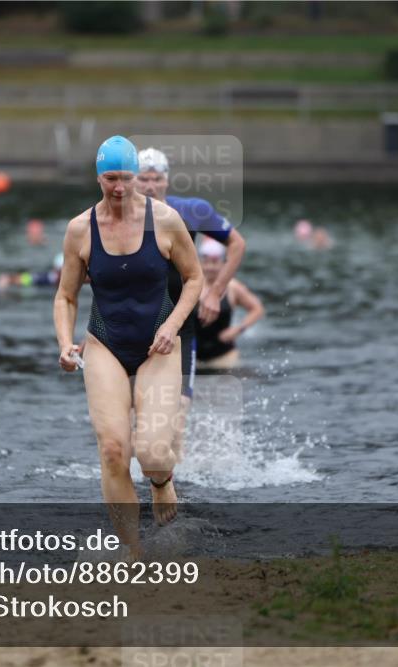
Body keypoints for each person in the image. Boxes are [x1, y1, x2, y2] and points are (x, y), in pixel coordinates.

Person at [54, 136, 203, 547]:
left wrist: (172, 325)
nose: (119, 188)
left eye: (126, 178)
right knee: (114, 451)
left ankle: (161, 481)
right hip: (104, 343)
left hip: (158, 344)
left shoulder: (167, 220)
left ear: (137, 175)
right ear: (97, 176)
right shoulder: (80, 229)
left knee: (153, 452)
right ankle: (131, 552)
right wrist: (65, 342)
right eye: (109, 179)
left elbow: (194, 279)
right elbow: (66, 296)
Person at [135, 147, 247, 459]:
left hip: (181, 328)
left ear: (166, 181)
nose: (150, 185)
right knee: (139, 424)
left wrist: (214, 293)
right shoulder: (120, 218)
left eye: (156, 178)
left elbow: (237, 244)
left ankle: (175, 490)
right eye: (143, 178)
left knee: (176, 419)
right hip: (135, 328)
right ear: (132, 183)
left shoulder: (191, 210)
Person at [195, 239, 265, 369]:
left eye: (215, 262)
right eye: (206, 262)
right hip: (194, 358)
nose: (210, 267)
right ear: (200, 262)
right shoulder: (191, 285)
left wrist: (238, 329)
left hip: (224, 357)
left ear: (224, 263)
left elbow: (257, 309)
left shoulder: (233, 287)